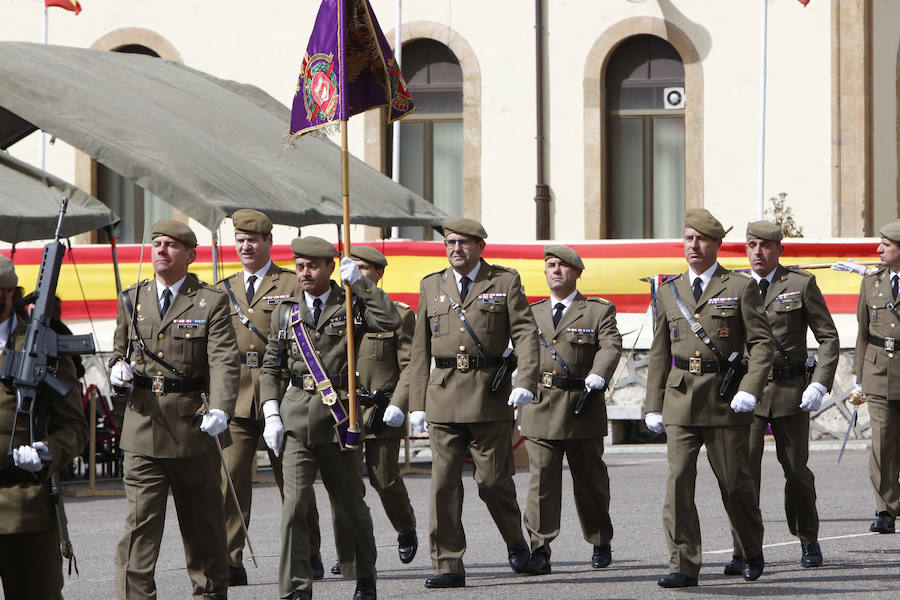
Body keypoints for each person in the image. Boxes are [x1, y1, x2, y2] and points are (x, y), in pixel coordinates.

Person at [258, 237, 401, 600]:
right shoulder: (285, 311)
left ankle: (365, 577)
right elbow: (271, 366)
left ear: (330, 267)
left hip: (339, 419)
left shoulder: (350, 302)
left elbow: (391, 319)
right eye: (299, 266)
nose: (304, 273)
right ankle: (295, 587)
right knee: (294, 507)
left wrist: (362, 284)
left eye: (312, 266)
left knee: (351, 504)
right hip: (295, 422)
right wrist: (270, 411)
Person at [109, 219, 240, 599]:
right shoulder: (132, 298)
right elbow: (121, 350)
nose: (161, 250)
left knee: (203, 532)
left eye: (170, 245)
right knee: (138, 532)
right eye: (157, 243)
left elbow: (224, 362)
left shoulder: (210, 300)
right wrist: (117, 367)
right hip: (143, 428)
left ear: (189, 255)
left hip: (192, 432)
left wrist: (222, 409)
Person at [407, 217, 540, 589]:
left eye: (463, 243)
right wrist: (417, 401)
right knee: (443, 485)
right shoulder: (431, 285)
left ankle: (515, 539)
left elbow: (526, 335)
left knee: (493, 481)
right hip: (444, 397)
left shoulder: (504, 281)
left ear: (480, 246)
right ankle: (447, 564)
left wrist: (525, 380)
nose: (455, 249)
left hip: (488, 396)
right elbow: (420, 350)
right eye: (449, 243)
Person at [644, 209, 774, 588]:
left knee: (735, 484)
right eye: (688, 238)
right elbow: (658, 353)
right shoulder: (669, 291)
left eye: (701, 239)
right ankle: (683, 564)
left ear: (717, 244)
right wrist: (652, 404)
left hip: (724, 398)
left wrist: (750, 390)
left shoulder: (739, 287)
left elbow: (762, 345)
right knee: (678, 484)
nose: (693, 245)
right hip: (681, 398)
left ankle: (750, 548)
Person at [215, 209, 323, 585]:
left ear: (267, 243)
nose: (246, 246)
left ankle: (309, 551)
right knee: (231, 480)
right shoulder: (222, 288)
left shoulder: (292, 283)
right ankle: (231, 558)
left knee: (293, 481)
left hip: (282, 391)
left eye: (253, 240)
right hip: (238, 398)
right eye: (240, 240)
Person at [725, 220, 838, 571]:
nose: (758, 252)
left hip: (791, 391)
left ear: (779, 250)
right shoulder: (735, 286)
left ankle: (808, 538)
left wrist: (819, 383)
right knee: (743, 475)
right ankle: (744, 549)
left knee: (797, 473)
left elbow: (828, 336)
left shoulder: (800, 284)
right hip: (750, 395)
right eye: (751, 245)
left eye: (765, 246)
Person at [518, 245, 622, 575]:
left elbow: (611, 345)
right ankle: (540, 547)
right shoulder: (530, 313)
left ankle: (599, 539)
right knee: (541, 483)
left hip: (582, 406)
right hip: (541, 405)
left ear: (577, 273)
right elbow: (519, 352)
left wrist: (598, 373)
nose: (556, 271)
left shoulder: (596, 311)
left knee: (590, 482)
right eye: (550, 265)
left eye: (563, 266)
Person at [0, 254, 88, 599]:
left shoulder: (42, 348)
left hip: (26, 506)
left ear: (9, 292)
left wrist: (48, 452)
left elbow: (74, 427)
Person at [329, 245, 417, 574]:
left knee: (384, 478)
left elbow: (409, 365)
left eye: (365, 268)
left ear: (379, 273)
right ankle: (350, 553)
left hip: (381, 407)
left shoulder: (399, 313)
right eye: (354, 267)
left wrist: (400, 404)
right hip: (343, 408)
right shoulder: (337, 312)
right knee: (346, 484)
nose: (358, 273)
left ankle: (405, 527)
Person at [853, 220, 900, 535]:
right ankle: (885, 509)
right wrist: (859, 375)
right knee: (881, 442)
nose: (878, 249)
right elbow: (861, 332)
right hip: (878, 370)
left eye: (885, 243)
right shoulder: (871, 283)